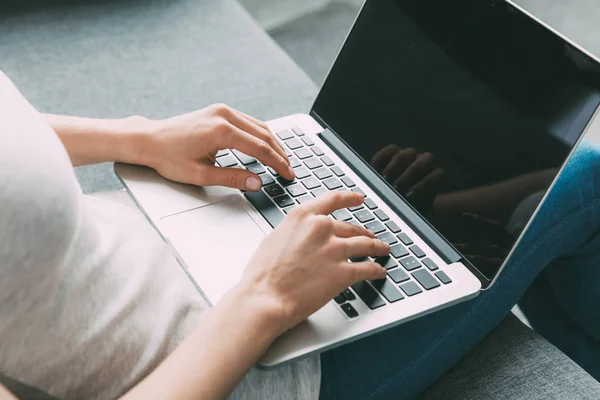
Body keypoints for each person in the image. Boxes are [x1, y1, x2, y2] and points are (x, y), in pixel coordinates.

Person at [1, 69, 600, 400]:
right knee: (587, 180)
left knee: (402, 193)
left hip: (170, 229)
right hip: (263, 367)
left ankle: (427, 213)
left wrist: (136, 138)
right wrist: (265, 296)